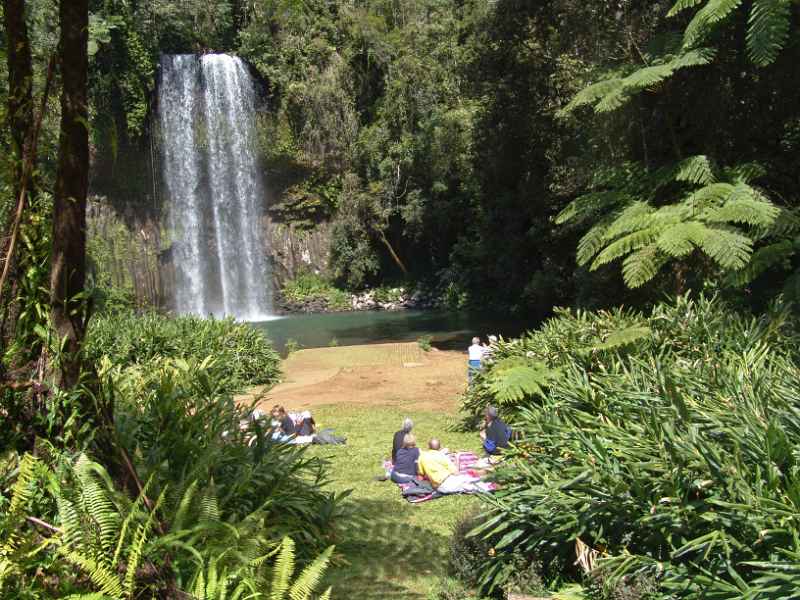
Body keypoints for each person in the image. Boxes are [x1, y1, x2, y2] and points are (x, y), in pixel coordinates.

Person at [418, 438, 483, 495]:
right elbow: (456, 473)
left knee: (466, 482)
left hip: (438, 487)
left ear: (428, 446)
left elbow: (420, 475)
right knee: (470, 480)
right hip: (448, 483)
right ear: (439, 447)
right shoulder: (442, 456)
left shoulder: (422, 457)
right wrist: (457, 459)